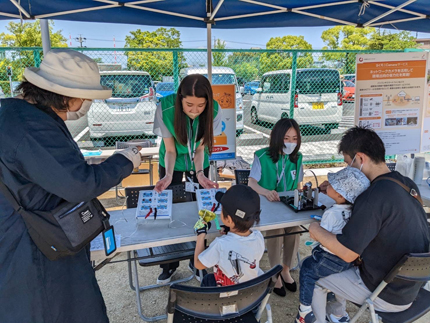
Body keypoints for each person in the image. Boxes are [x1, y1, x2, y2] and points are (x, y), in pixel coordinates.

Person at [0, 49, 142, 323]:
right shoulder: (31, 128)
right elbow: (80, 183)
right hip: (36, 250)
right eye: (85, 98)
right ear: (64, 96)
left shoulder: (18, 116)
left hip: (31, 237)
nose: (86, 103)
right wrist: (125, 161)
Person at [309, 126, 430, 323]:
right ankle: (338, 314)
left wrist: (315, 230)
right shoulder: (407, 185)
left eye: (349, 164)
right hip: (412, 287)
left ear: (361, 159)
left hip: (385, 293)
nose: (348, 171)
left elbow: (347, 252)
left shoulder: (372, 197)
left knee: (312, 274)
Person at [152, 74, 222, 284]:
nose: (194, 110)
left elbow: (200, 149)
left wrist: (200, 174)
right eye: (189, 104)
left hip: (197, 162)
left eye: (200, 105)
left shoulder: (214, 110)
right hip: (171, 163)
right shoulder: (165, 108)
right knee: (170, 211)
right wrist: (168, 175)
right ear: (179, 98)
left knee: (199, 211)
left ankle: (197, 259)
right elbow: (171, 151)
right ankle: (169, 263)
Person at [296, 167, 370, 323]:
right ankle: (338, 312)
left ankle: (304, 310)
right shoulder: (355, 211)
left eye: (331, 184)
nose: (326, 184)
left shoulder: (330, 213)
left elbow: (321, 237)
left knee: (307, 270)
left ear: (340, 194)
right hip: (347, 260)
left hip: (328, 257)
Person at [248, 118, 303, 297]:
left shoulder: (298, 157)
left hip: (289, 204)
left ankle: (286, 269)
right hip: (268, 204)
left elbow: (299, 183)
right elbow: (251, 183)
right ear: (278, 137)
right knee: (276, 230)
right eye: (287, 138)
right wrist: (265, 192)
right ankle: (275, 271)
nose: (291, 143)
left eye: (295, 138)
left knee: (294, 229)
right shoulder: (261, 156)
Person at [193, 185, 264, 287]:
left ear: (229, 220)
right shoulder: (258, 237)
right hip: (249, 292)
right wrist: (230, 230)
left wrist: (201, 235)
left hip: (227, 296)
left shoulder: (220, 245)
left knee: (207, 279)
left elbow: (198, 264)